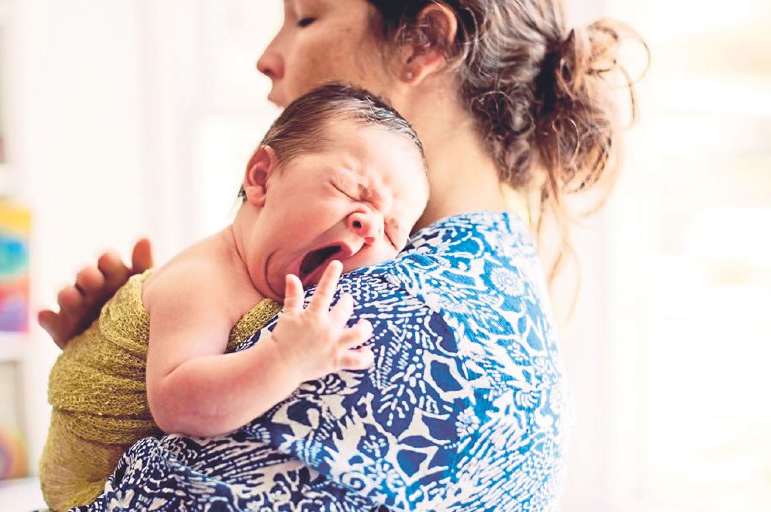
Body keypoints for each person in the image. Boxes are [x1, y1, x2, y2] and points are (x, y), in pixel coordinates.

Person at [39, 0, 642, 509]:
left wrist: (104, 379)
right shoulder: (487, 279)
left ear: (423, 44)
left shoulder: (402, 317)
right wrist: (125, 346)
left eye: (306, 18)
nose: (266, 58)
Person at [39, 84, 429, 511]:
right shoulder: (202, 282)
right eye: (351, 190)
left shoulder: (281, 280)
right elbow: (176, 402)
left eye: (393, 231)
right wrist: (285, 359)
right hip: (89, 490)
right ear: (262, 177)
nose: (369, 225)